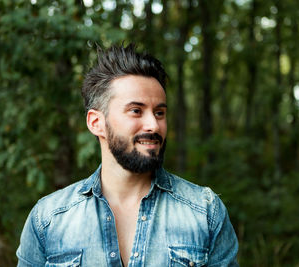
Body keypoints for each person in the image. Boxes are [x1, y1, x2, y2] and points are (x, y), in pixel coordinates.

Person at [16, 43, 239, 266]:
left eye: (160, 113)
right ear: (96, 123)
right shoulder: (48, 219)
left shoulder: (205, 212)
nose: (153, 125)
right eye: (136, 111)